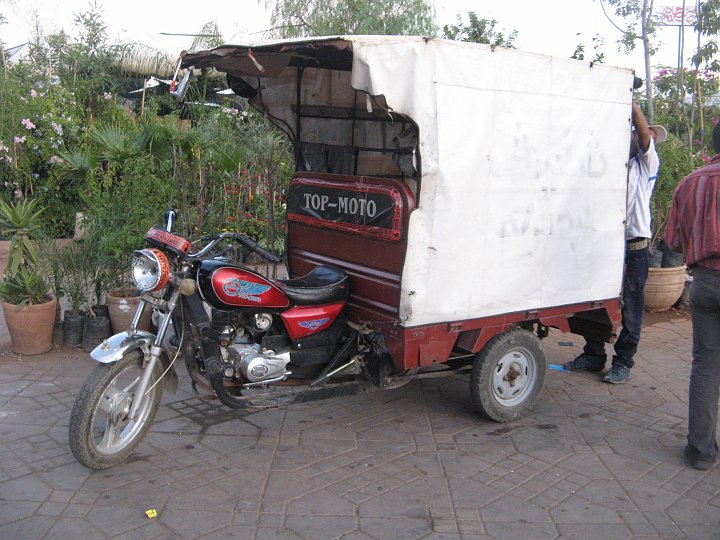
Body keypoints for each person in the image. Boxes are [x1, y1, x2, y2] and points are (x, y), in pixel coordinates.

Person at [563, 102, 667, 384]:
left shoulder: (646, 165)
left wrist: (628, 100)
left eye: (643, 134)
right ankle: (594, 353)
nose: (639, 136)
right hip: (606, 244)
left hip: (634, 247)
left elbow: (644, 134)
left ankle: (623, 361)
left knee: (632, 306)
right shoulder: (613, 166)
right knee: (592, 300)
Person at [664, 121, 720, 470]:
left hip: (705, 283)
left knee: (705, 365)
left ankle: (700, 451)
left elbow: (672, 242)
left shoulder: (690, 183)